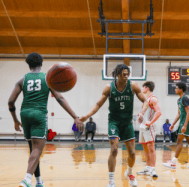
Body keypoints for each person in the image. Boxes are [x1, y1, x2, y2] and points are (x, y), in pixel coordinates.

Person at [8, 52, 84, 187]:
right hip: (39, 114)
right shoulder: (48, 79)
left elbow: (11, 102)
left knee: (33, 150)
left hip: (24, 114)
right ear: (41, 64)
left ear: (28, 64)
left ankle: (38, 181)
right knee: (37, 150)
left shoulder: (22, 80)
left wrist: (15, 120)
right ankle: (26, 179)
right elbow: (60, 98)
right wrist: (75, 117)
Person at [80, 64, 148, 187]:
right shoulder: (109, 88)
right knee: (114, 149)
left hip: (127, 123)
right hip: (114, 122)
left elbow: (145, 101)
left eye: (128, 74)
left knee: (132, 153)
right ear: (117, 74)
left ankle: (129, 173)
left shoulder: (133, 86)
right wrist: (86, 116)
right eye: (124, 74)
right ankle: (111, 180)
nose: (126, 76)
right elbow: (98, 104)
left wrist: (142, 112)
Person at [162, 82, 189, 169]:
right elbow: (179, 114)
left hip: (185, 123)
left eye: (176, 88)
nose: (175, 89)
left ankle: (173, 162)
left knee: (179, 141)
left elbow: (188, 113)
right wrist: (173, 124)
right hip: (182, 123)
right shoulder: (179, 100)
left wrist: (185, 125)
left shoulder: (185, 99)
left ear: (181, 89)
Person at [136, 81, 162, 177]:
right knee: (145, 147)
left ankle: (153, 169)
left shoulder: (153, 99)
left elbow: (158, 112)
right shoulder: (146, 99)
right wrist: (140, 115)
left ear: (147, 88)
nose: (141, 89)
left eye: (143, 87)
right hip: (143, 126)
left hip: (149, 127)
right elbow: (146, 112)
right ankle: (147, 167)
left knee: (151, 148)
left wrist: (150, 122)